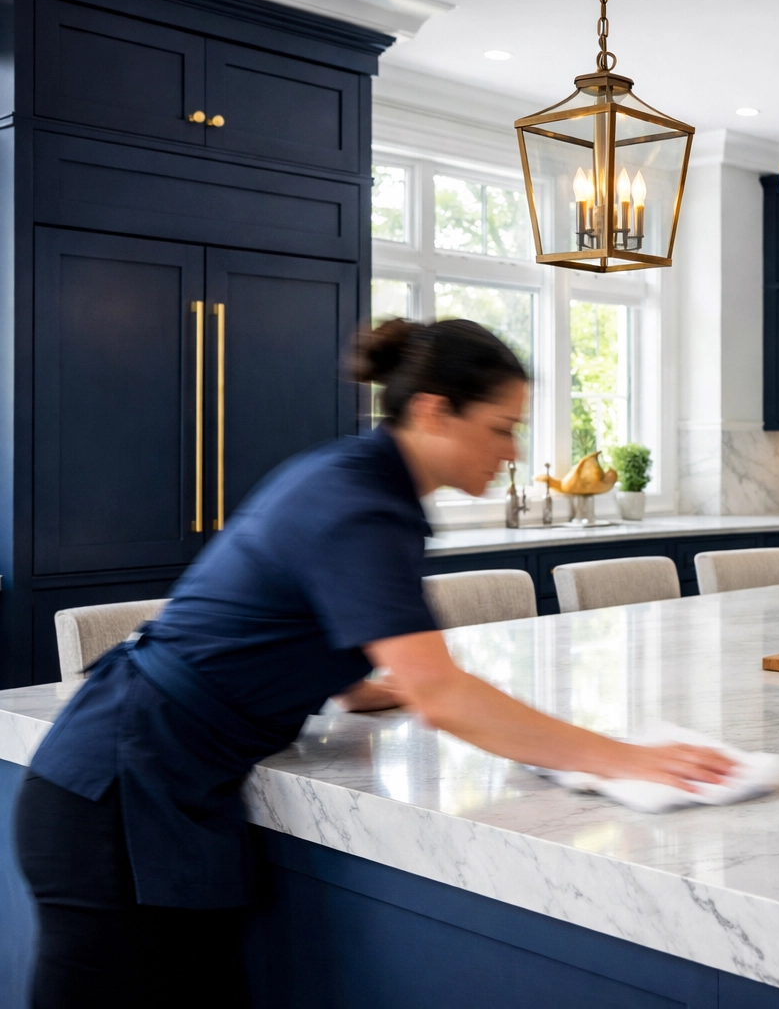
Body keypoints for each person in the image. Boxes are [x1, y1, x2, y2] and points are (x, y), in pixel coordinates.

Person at [14, 319, 734, 1007]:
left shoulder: (360, 479)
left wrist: (357, 686)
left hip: (142, 782)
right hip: (114, 800)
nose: (512, 450)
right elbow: (442, 695)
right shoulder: (361, 502)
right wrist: (625, 759)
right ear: (433, 412)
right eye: (501, 427)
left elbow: (283, 614)